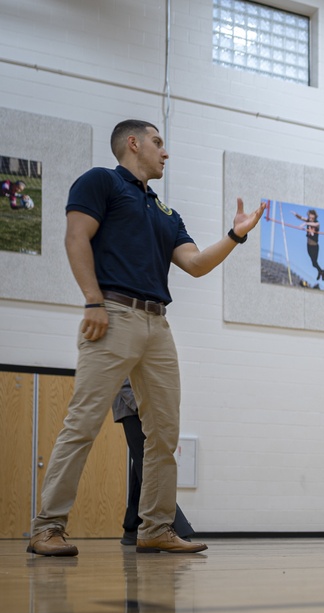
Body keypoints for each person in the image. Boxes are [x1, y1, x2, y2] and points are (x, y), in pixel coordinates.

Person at [27, 119, 264, 556]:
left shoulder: (165, 212)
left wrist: (235, 235)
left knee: (164, 433)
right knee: (82, 424)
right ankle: (47, 527)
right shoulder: (101, 182)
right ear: (133, 144)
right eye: (158, 142)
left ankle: (155, 527)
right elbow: (76, 235)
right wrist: (92, 301)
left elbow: (194, 264)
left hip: (158, 325)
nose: (165, 152)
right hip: (113, 313)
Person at [113, 378, 195, 545]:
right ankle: (176, 526)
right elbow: (121, 377)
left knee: (140, 463)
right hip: (133, 408)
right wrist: (141, 406)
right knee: (150, 463)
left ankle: (132, 527)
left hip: (144, 406)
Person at [293, 209, 324, 281]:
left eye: (312, 218)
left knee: (314, 263)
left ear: (315, 218)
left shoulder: (317, 223)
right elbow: (301, 218)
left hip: (315, 246)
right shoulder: (308, 220)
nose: (311, 219)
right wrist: (296, 214)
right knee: (313, 263)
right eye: (310, 218)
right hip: (308, 246)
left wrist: (305, 224)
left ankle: (321, 272)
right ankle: (321, 271)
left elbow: (315, 224)